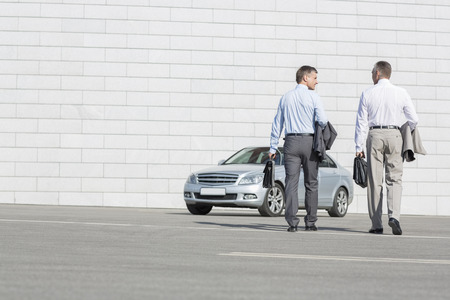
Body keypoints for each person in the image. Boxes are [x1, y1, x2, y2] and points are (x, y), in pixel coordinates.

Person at [354, 61, 419, 235]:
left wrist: (358, 146)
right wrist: (405, 131)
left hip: (375, 135)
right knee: (395, 178)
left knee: (375, 181)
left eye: (371, 72)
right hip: (395, 134)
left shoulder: (367, 93)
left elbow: (361, 123)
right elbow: (413, 119)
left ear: (377, 73)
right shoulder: (401, 92)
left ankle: (376, 225)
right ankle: (394, 217)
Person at [269, 65, 328, 232]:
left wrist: (273, 147)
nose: (317, 81)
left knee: (291, 183)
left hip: (291, 142)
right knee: (312, 183)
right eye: (314, 78)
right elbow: (323, 120)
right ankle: (310, 222)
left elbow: (277, 123)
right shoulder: (314, 97)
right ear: (305, 78)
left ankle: (292, 223)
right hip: (309, 142)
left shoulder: (286, 97)